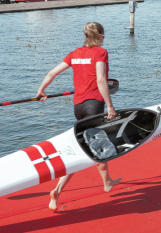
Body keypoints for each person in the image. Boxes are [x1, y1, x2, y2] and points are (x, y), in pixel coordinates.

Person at [36, 21, 121, 211]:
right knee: (96, 148)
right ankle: (100, 184)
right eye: (103, 35)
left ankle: (103, 182)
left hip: (78, 106)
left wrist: (41, 90)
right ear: (100, 36)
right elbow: (100, 79)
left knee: (88, 147)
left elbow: (52, 73)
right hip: (93, 106)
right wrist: (109, 105)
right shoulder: (100, 52)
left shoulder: (75, 54)